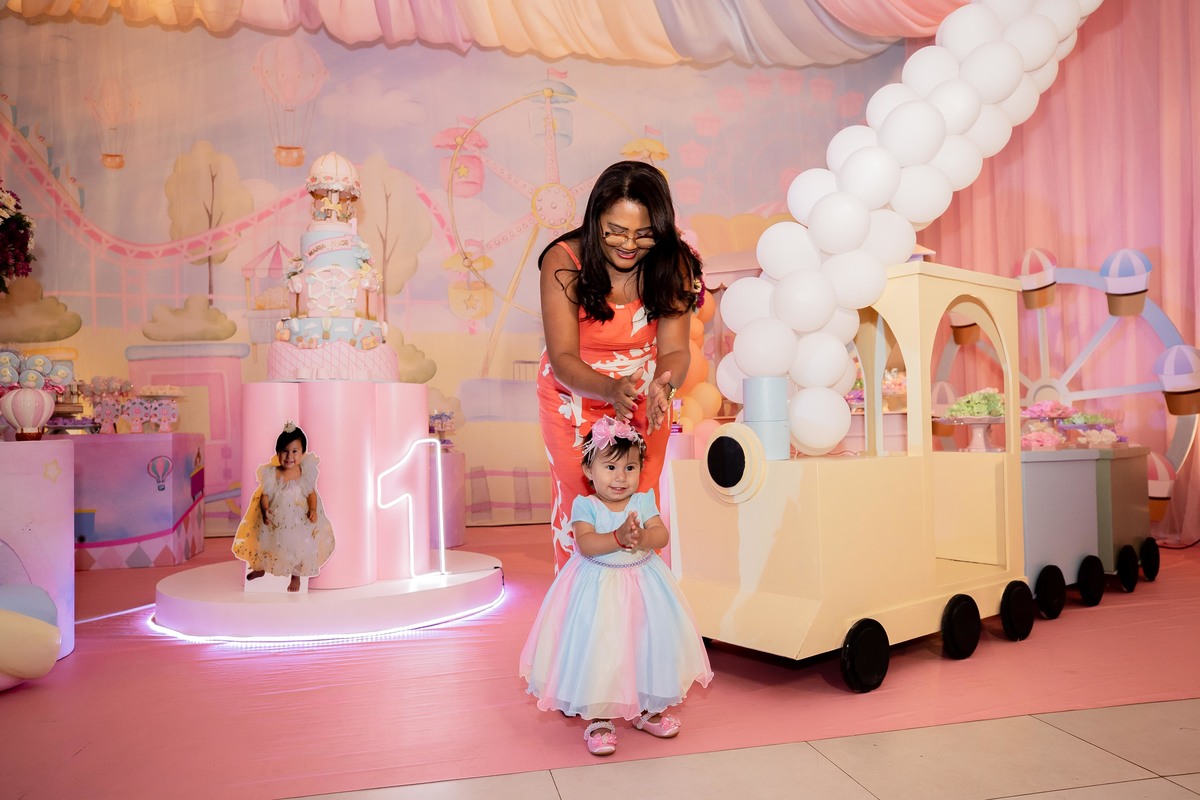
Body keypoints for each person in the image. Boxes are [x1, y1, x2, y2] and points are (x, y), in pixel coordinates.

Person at [538, 159, 703, 570]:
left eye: (643, 234)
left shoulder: (673, 264)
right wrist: (610, 389)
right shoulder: (563, 260)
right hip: (574, 395)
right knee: (580, 504)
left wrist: (666, 385)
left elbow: (675, 350)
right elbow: (562, 358)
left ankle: (636, 600)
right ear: (595, 219)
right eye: (615, 230)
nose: (628, 244)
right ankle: (579, 603)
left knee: (640, 502)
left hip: (644, 396)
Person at [519, 416, 713, 756]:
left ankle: (647, 709)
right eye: (610, 467)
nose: (621, 477)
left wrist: (643, 537)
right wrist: (619, 537)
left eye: (630, 468)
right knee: (603, 649)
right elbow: (586, 544)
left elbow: (661, 535)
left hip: (643, 586)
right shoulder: (586, 505)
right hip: (598, 590)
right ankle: (600, 718)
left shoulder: (642, 501)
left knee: (647, 643)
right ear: (589, 470)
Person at [231, 422, 335, 592]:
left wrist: (313, 509)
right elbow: (265, 495)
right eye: (285, 451)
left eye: (294, 451)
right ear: (278, 453)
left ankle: (296, 576)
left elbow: (311, 494)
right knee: (266, 543)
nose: (289, 456)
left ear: (302, 453)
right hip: (275, 519)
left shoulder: (304, 473)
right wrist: (265, 510)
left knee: (297, 547)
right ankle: (260, 568)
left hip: (298, 520)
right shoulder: (273, 473)